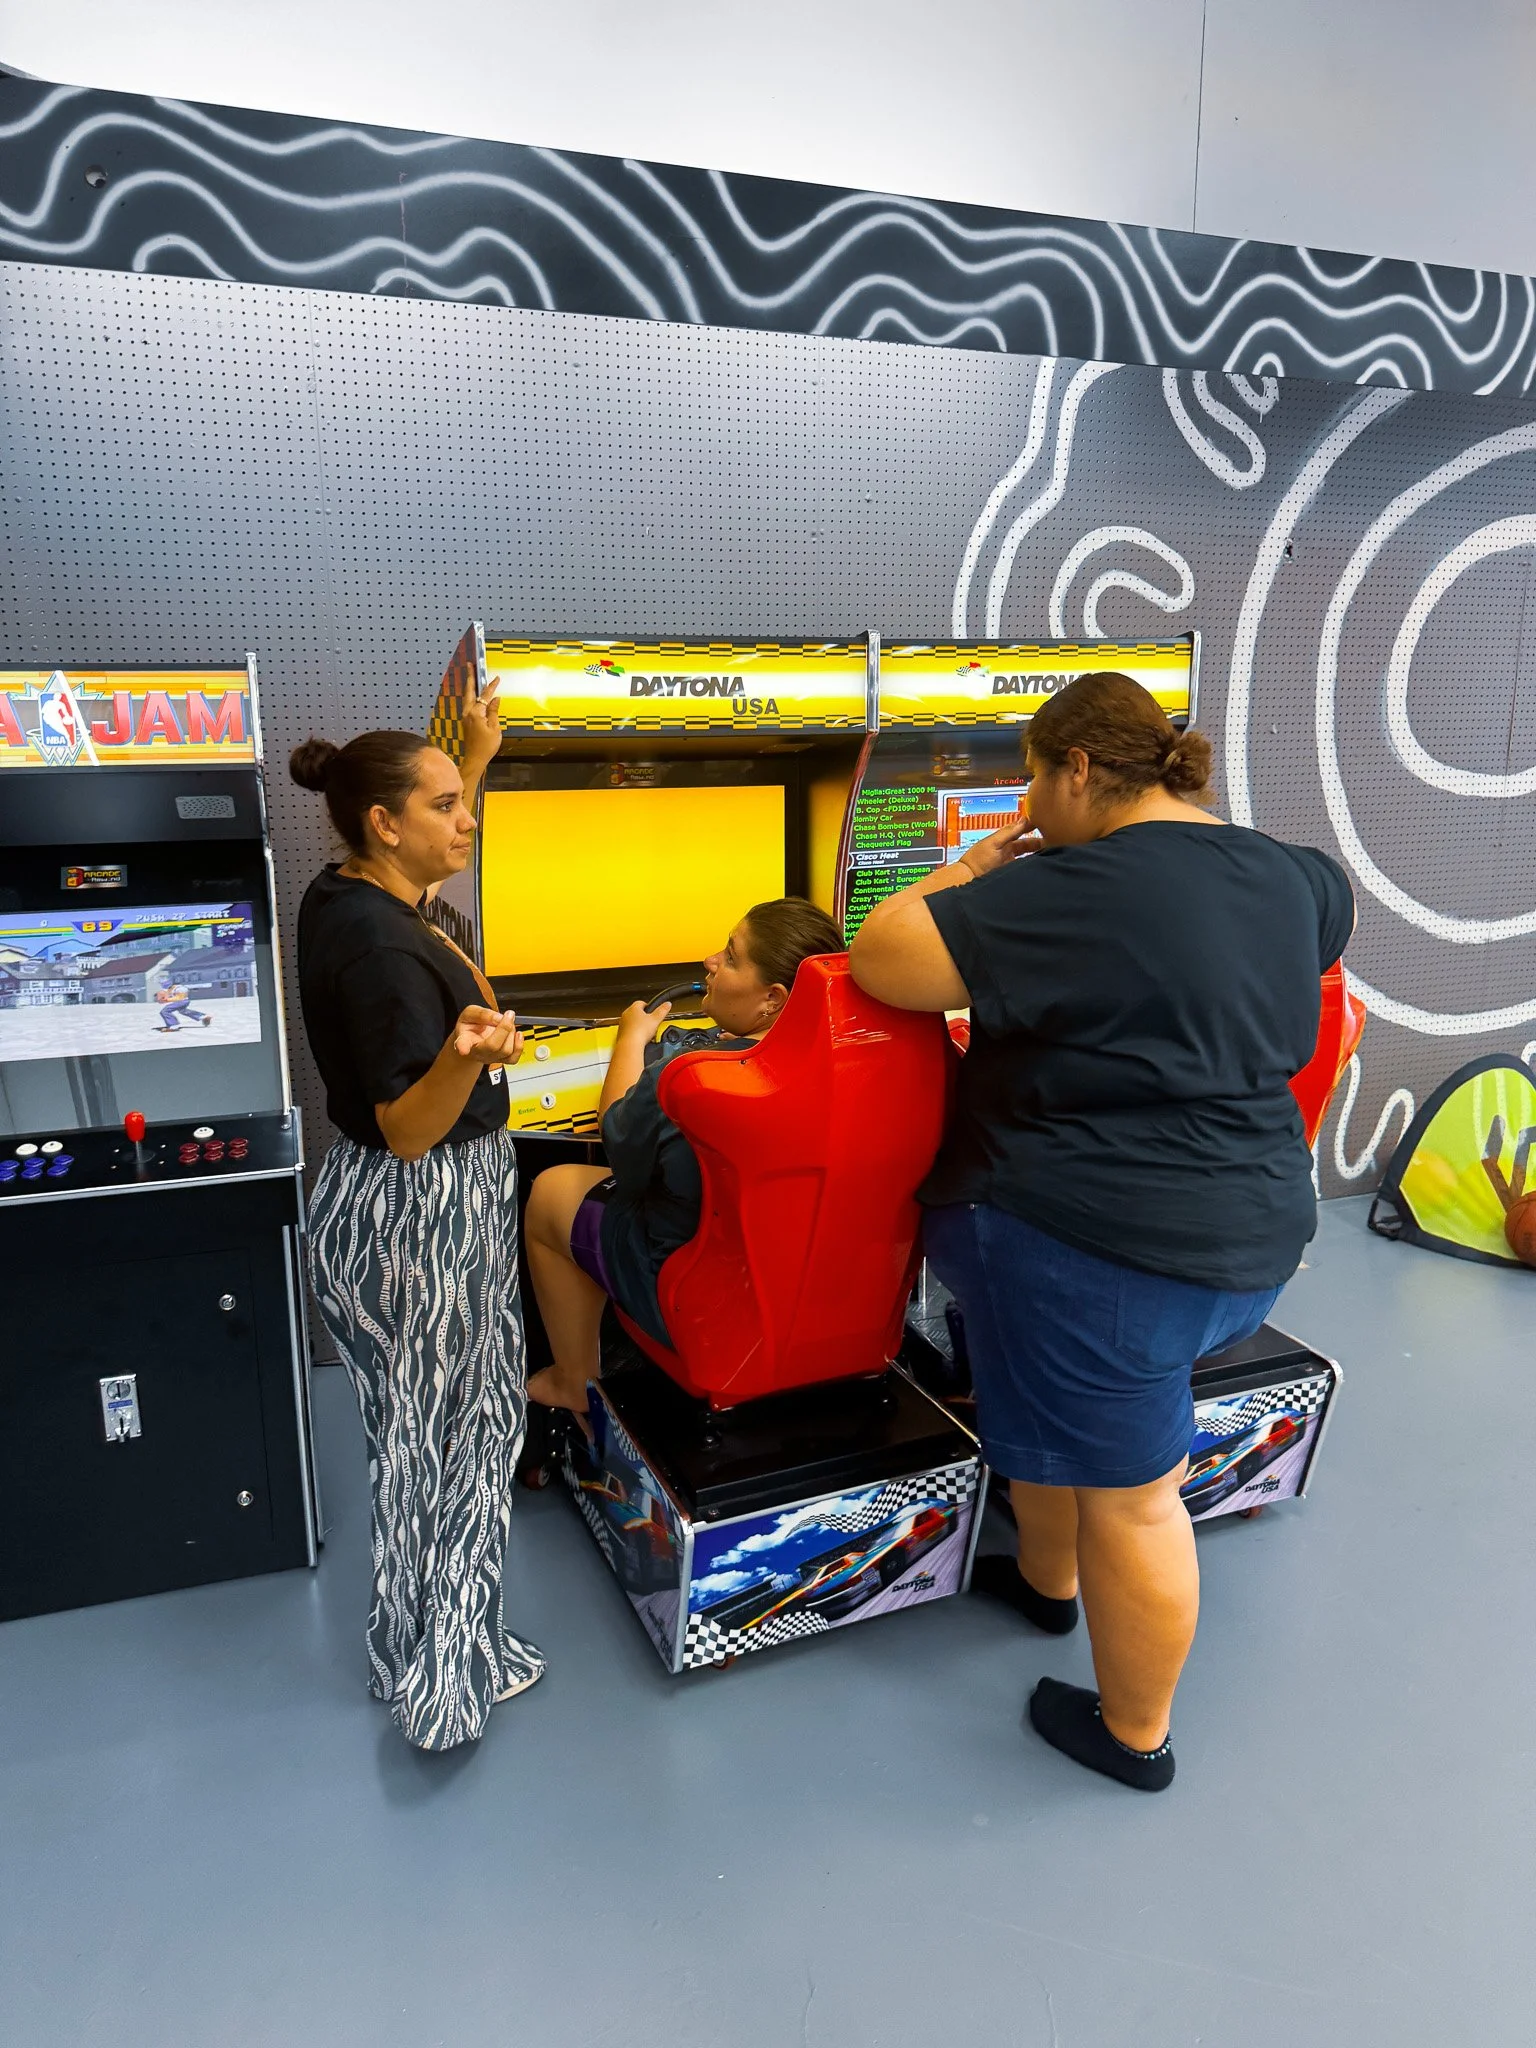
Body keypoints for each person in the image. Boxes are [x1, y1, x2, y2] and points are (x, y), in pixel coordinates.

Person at [848, 672, 1353, 1792]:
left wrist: (974, 866)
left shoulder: (1066, 890)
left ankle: (1134, 1735)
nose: (1029, 801)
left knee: (1135, 1496)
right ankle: (1047, 1584)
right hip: (1257, 1227)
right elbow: (1323, 927)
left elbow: (883, 953)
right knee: (1055, 1413)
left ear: (1077, 768)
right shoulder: (1291, 873)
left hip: (1109, 1251)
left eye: (1033, 777)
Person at [290, 695, 545, 1752]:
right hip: (420, 1206)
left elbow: (426, 873)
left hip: (374, 1209)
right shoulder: (384, 953)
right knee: (461, 1438)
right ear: (385, 822)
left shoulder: (350, 888)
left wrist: (469, 758)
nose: (467, 817)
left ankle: (408, 1649)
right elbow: (407, 1129)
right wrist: (463, 1057)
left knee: (411, 1441)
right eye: (447, 805)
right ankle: (445, 1687)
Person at [525, 897, 844, 1413]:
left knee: (550, 1190)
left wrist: (632, 1039)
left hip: (703, 1303)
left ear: (773, 998)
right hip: (823, 1297)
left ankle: (572, 1382)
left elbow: (619, 1147)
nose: (710, 961)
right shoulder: (859, 1061)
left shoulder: (688, 1075)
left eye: (731, 957)